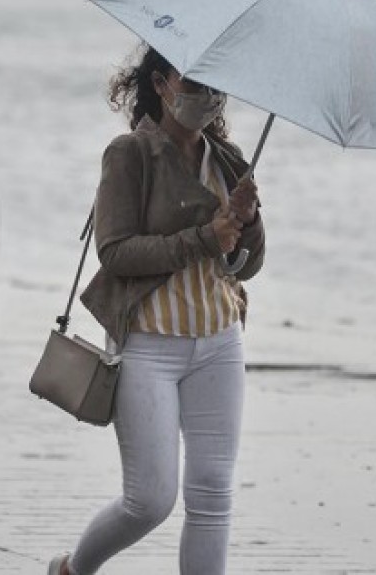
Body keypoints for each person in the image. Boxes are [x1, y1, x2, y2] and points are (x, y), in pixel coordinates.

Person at [50, 44, 266, 575]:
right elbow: (116, 253)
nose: (207, 97)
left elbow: (247, 264)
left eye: (216, 85)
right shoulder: (130, 154)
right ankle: (74, 569)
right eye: (193, 83)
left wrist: (249, 220)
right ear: (163, 84)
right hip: (148, 343)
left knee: (212, 495)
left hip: (219, 340)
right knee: (150, 499)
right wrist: (206, 236)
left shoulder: (231, 160)